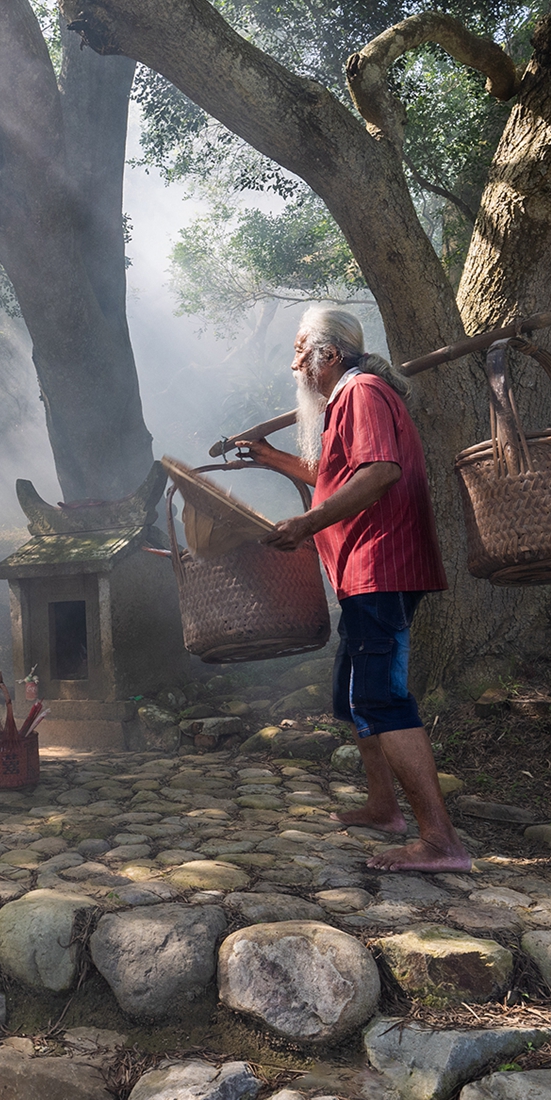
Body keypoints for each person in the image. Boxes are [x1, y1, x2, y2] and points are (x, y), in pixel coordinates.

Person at [232, 308, 470, 873]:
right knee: (354, 697)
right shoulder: (346, 400)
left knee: (382, 698)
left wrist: (304, 526)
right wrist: (270, 459)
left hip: (381, 565)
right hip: (361, 572)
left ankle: (441, 843)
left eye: (298, 351)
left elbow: (380, 471)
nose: (293, 364)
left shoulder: (362, 391)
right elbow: (335, 478)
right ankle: (384, 809)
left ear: (328, 354)